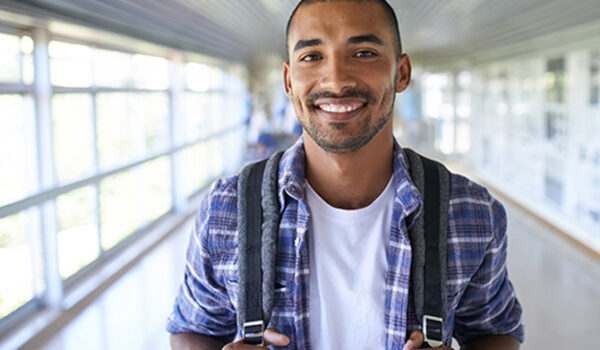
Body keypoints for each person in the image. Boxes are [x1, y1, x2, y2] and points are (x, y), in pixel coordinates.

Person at [167, 0, 524, 349]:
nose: (336, 80)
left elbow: (496, 332)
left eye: (364, 52)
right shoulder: (227, 209)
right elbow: (192, 330)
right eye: (311, 56)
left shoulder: (471, 212)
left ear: (401, 74)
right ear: (289, 80)